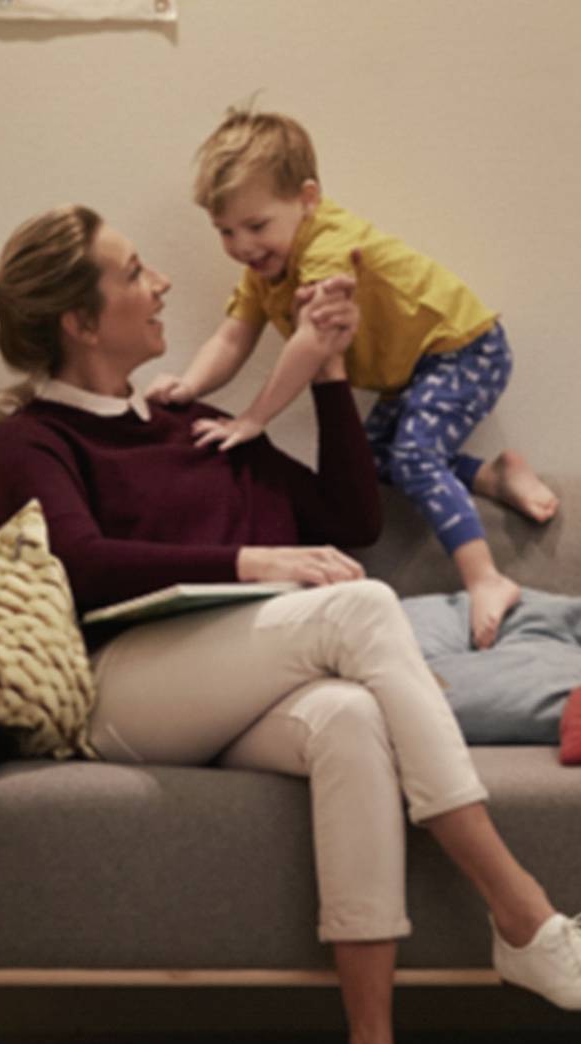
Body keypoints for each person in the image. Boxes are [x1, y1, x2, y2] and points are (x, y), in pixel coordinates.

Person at [0, 204, 581, 1044]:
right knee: (361, 608)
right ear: (79, 318)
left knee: (351, 720)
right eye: (136, 271)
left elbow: (344, 514)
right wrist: (250, 565)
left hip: (240, 682)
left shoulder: (185, 417)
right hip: (131, 689)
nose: (162, 286)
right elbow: (82, 560)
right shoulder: (35, 439)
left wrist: (330, 369)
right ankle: (524, 917)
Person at [145, 106, 559, 650]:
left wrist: (254, 417)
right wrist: (191, 387)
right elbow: (232, 337)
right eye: (225, 231)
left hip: (462, 348)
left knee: (413, 456)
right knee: (370, 464)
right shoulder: (261, 272)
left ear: (308, 199)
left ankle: (485, 577)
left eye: (256, 226)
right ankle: (490, 476)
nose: (242, 245)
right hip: (414, 370)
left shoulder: (328, 243)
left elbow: (312, 341)